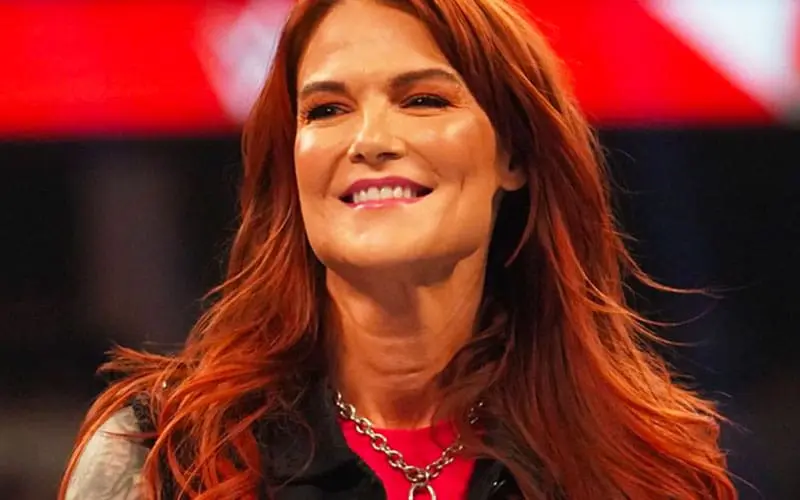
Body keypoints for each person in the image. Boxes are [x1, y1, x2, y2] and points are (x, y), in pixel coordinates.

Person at [59, 0, 737, 498]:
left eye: (422, 100)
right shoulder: (165, 456)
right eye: (327, 110)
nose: (370, 141)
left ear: (514, 156)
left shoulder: (644, 470)